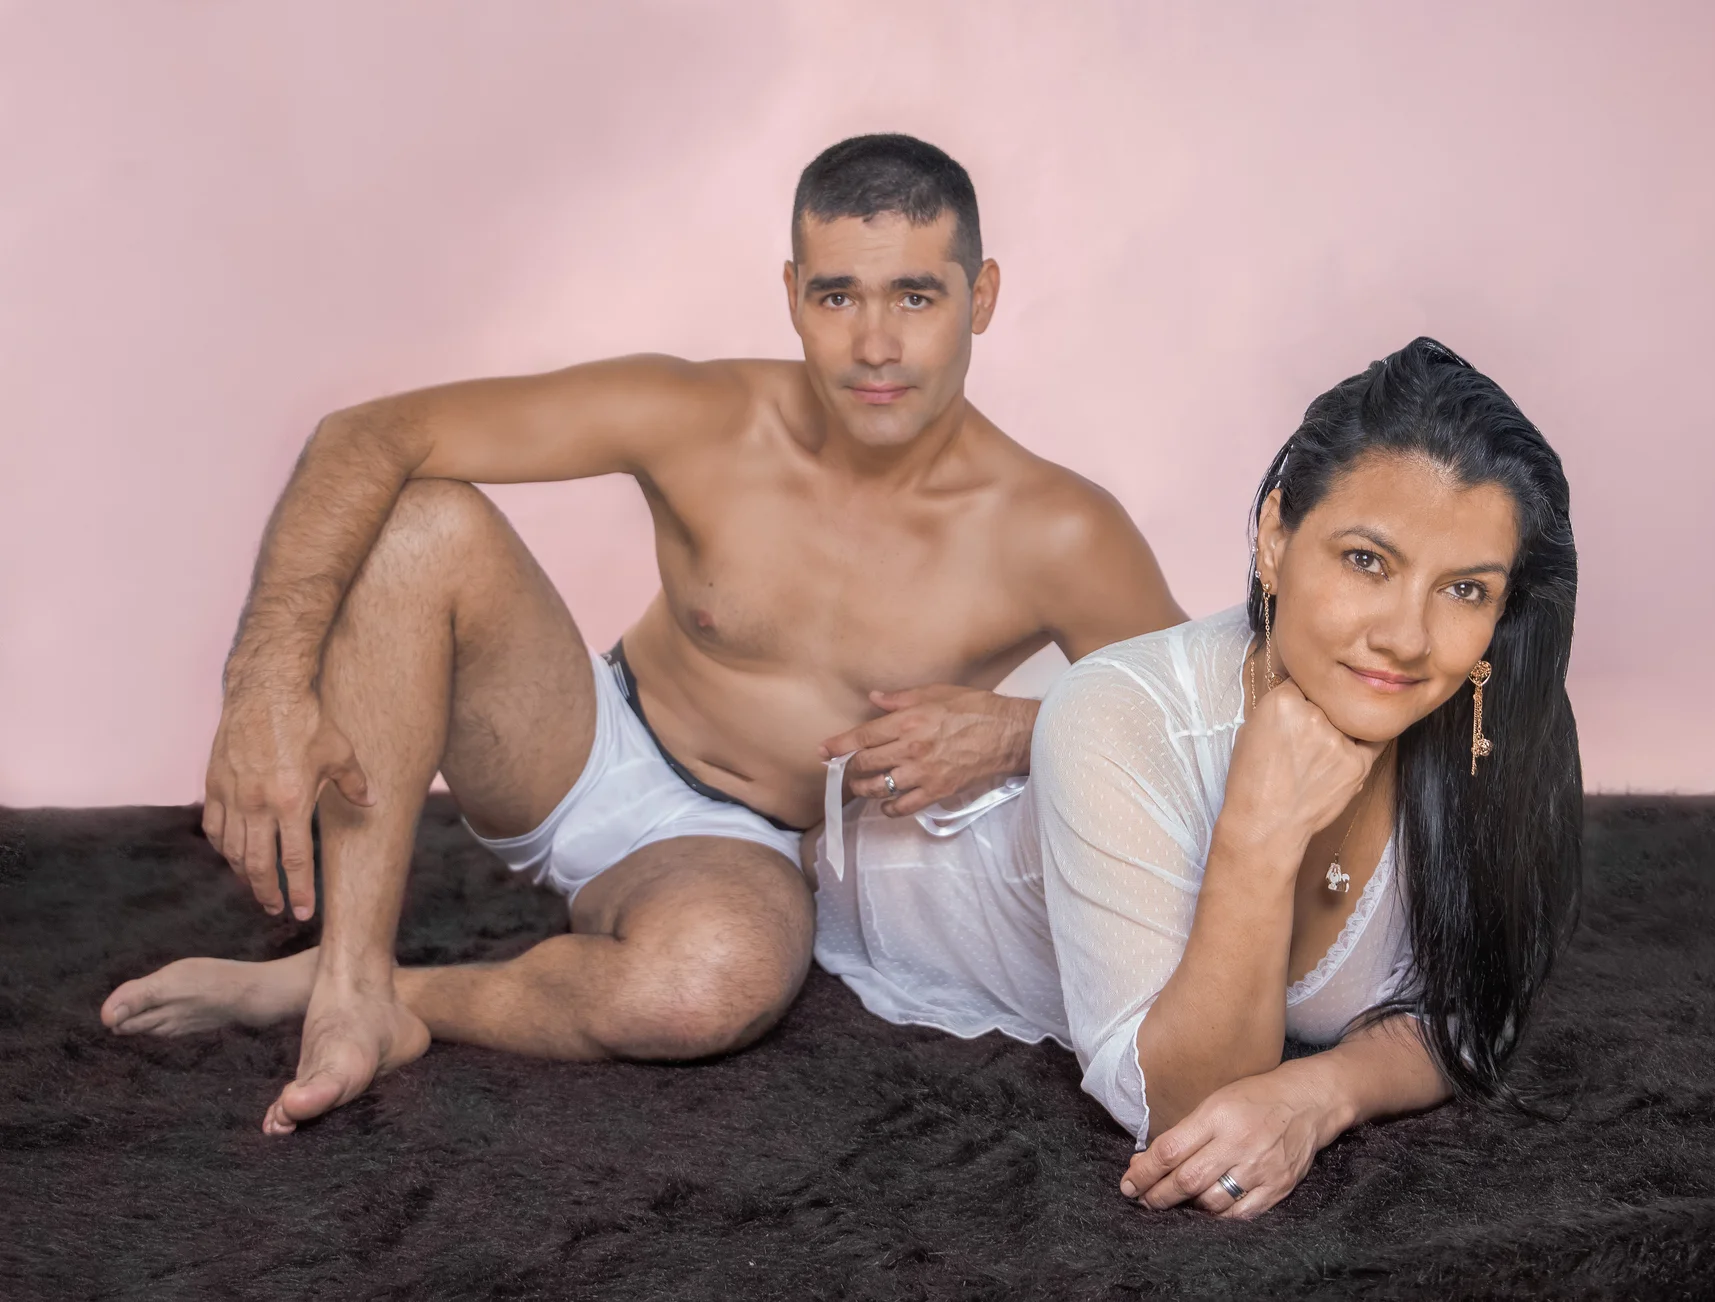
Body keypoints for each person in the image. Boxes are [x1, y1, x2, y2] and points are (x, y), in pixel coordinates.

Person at [99, 134, 1184, 1135]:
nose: (875, 345)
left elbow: (1196, 715)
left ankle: (383, 994)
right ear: (792, 296)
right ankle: (346, 983)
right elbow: (369, 434)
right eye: (837, 295)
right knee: (422, 519)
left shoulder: (1057, 530)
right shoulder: (708, 417)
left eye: (916, 295)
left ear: (980, 297)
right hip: (577, 742)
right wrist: (263, 690)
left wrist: (1017, 729)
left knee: (706, 984)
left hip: (743, 851)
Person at [810, 336, 1581, 1218]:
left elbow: (1472, 1004)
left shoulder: (1495, 718)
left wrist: (1322, 1093)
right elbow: (1182, 1109)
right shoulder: (1116, 712)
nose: (1407, 638)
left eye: (1465, 590)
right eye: (1367, 561)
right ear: (1275, 539)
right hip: (880, 866)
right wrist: (1259, 833)